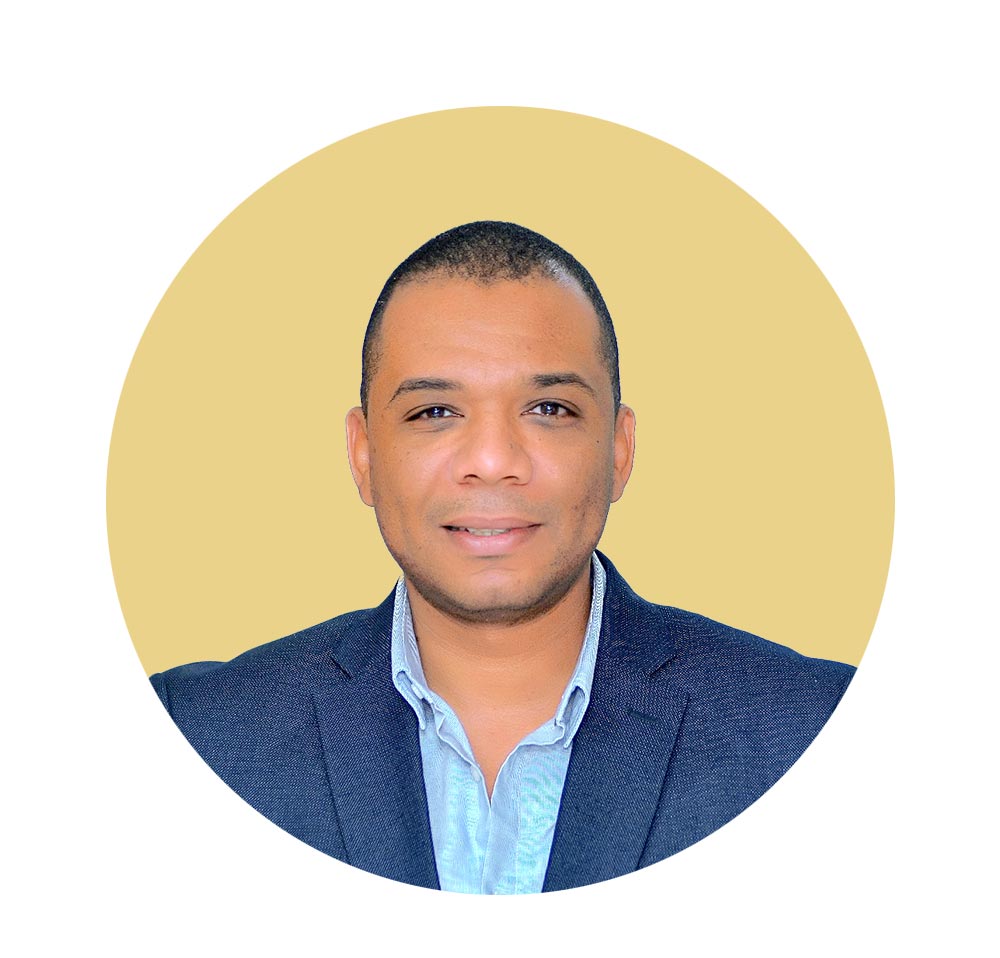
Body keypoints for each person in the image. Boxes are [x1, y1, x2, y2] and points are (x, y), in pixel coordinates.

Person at [150, 221, 855, 893]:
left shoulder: (815, 729)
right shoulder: (194, 735)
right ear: (363, 456)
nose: (491, 461)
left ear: (620, 450)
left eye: (549, 409)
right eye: (434, 413)